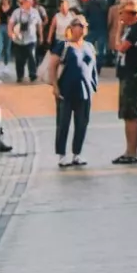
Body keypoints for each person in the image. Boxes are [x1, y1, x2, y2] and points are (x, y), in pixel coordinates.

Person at [52, 17, 99, 167]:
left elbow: (93, 67)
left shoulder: (89, 46)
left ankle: (77, 154)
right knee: (63, 123)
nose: (83, 28)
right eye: (80, 25)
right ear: (72, 27)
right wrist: (55, 86)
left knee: (82, 123)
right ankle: (61, 155)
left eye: (85, 25)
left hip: (85, 91)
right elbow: (52, 66)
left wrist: (94, 84)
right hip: (66, 90)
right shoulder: (63, 45)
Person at [112, 0, 137, 165]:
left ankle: (132, 152)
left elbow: (120, 47)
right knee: (127, 114)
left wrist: (118, 30)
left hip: (133, 74)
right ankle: (129, 150)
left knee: (131, 114)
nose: (121, 16)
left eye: (123, 13)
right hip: (128, 73)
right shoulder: (134, 27)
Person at [8, 0, 43, 82]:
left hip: (31, 39)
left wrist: (41, 35)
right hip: (19, 39)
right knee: (19, 59)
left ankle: (32, 74)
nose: (30, 3)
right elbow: (11, 23)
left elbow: (39, 24)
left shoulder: (35, 12)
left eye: (31, 1)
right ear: (23, 2)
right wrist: (10, 32)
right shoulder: (16, 12)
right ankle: (20, 76)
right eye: (28, 1)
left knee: (31, 56)